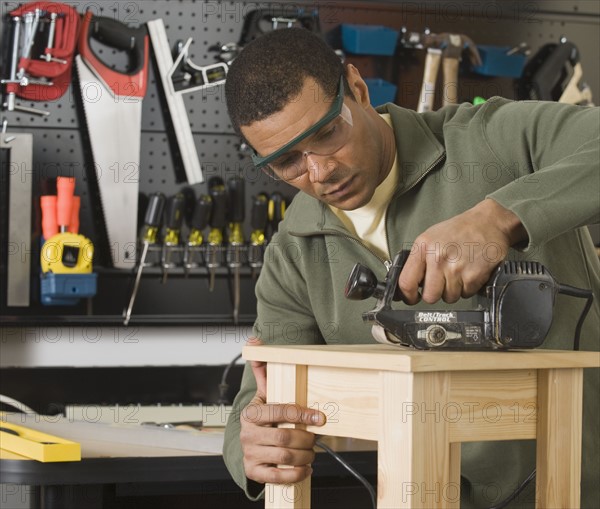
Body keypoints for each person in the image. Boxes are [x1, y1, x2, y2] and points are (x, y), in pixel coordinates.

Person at [222, 27, 600, 508]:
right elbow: (257, 398)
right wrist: (251, 448)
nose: (319, 173)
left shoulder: (494, 143)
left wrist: (501, 216)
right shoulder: (295, 254)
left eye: (327, 134)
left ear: (357, 90)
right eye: (286, 162)